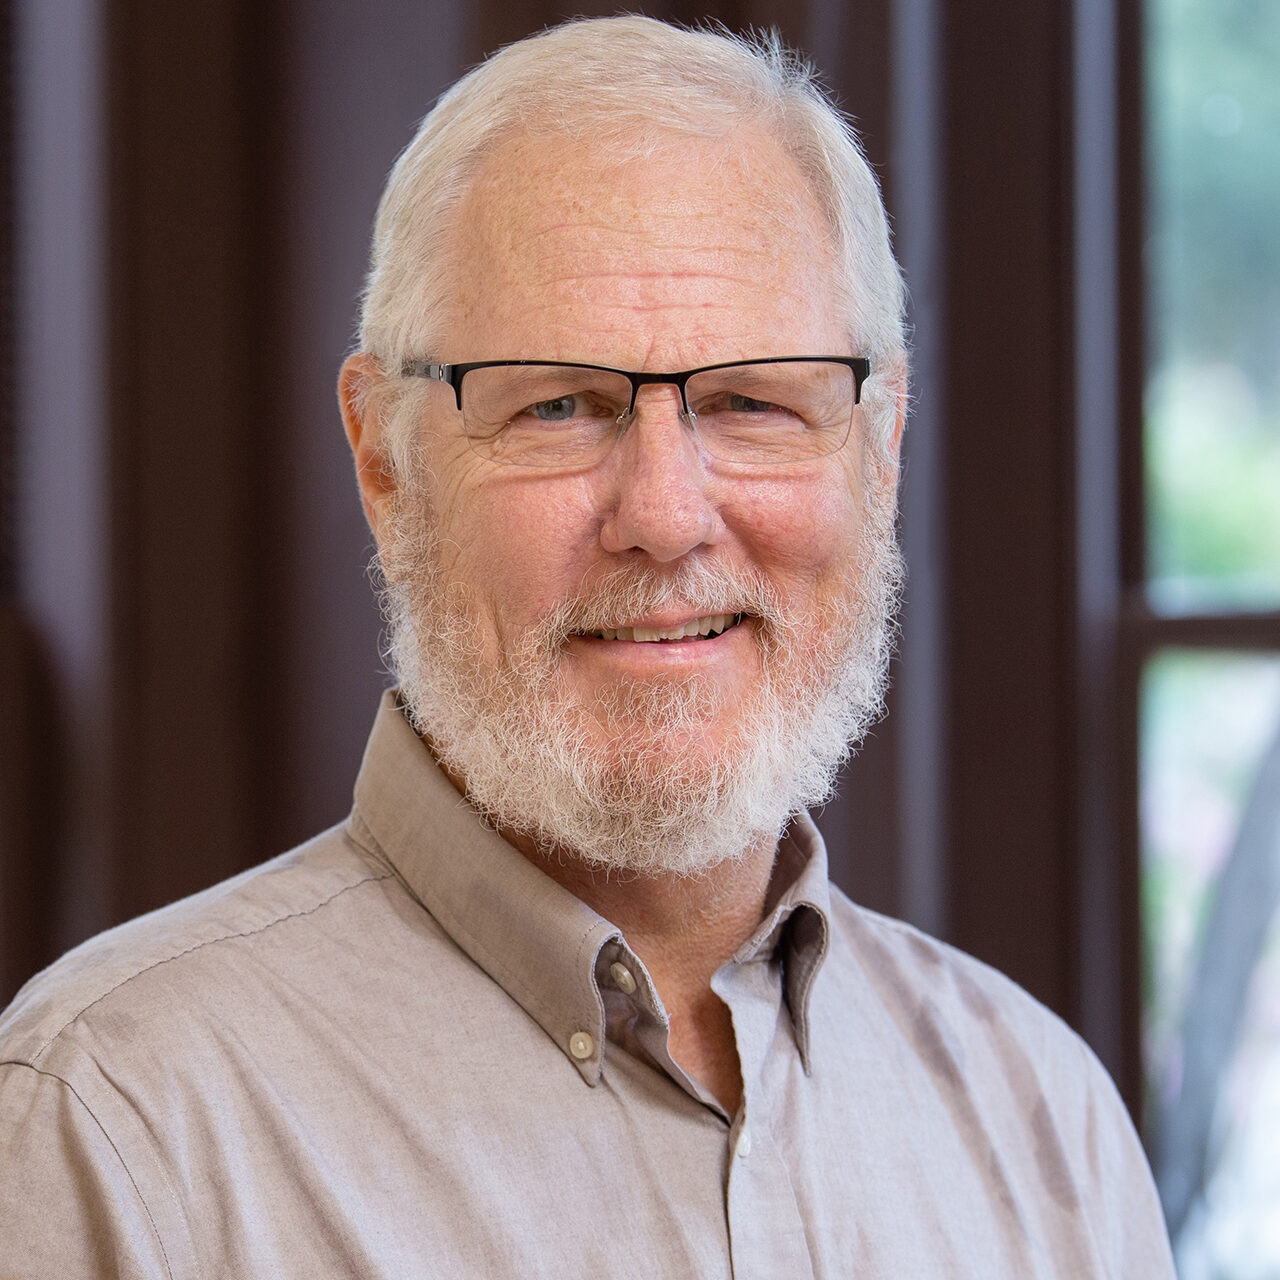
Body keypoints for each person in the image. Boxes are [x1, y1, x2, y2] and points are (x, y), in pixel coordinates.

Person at [0, 16, 1174, 1277]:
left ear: (878, 451)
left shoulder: (1045, 1126)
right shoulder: (114, 1126)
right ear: (385, 463)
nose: (664, 515)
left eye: (750, 399)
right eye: (556, 403)